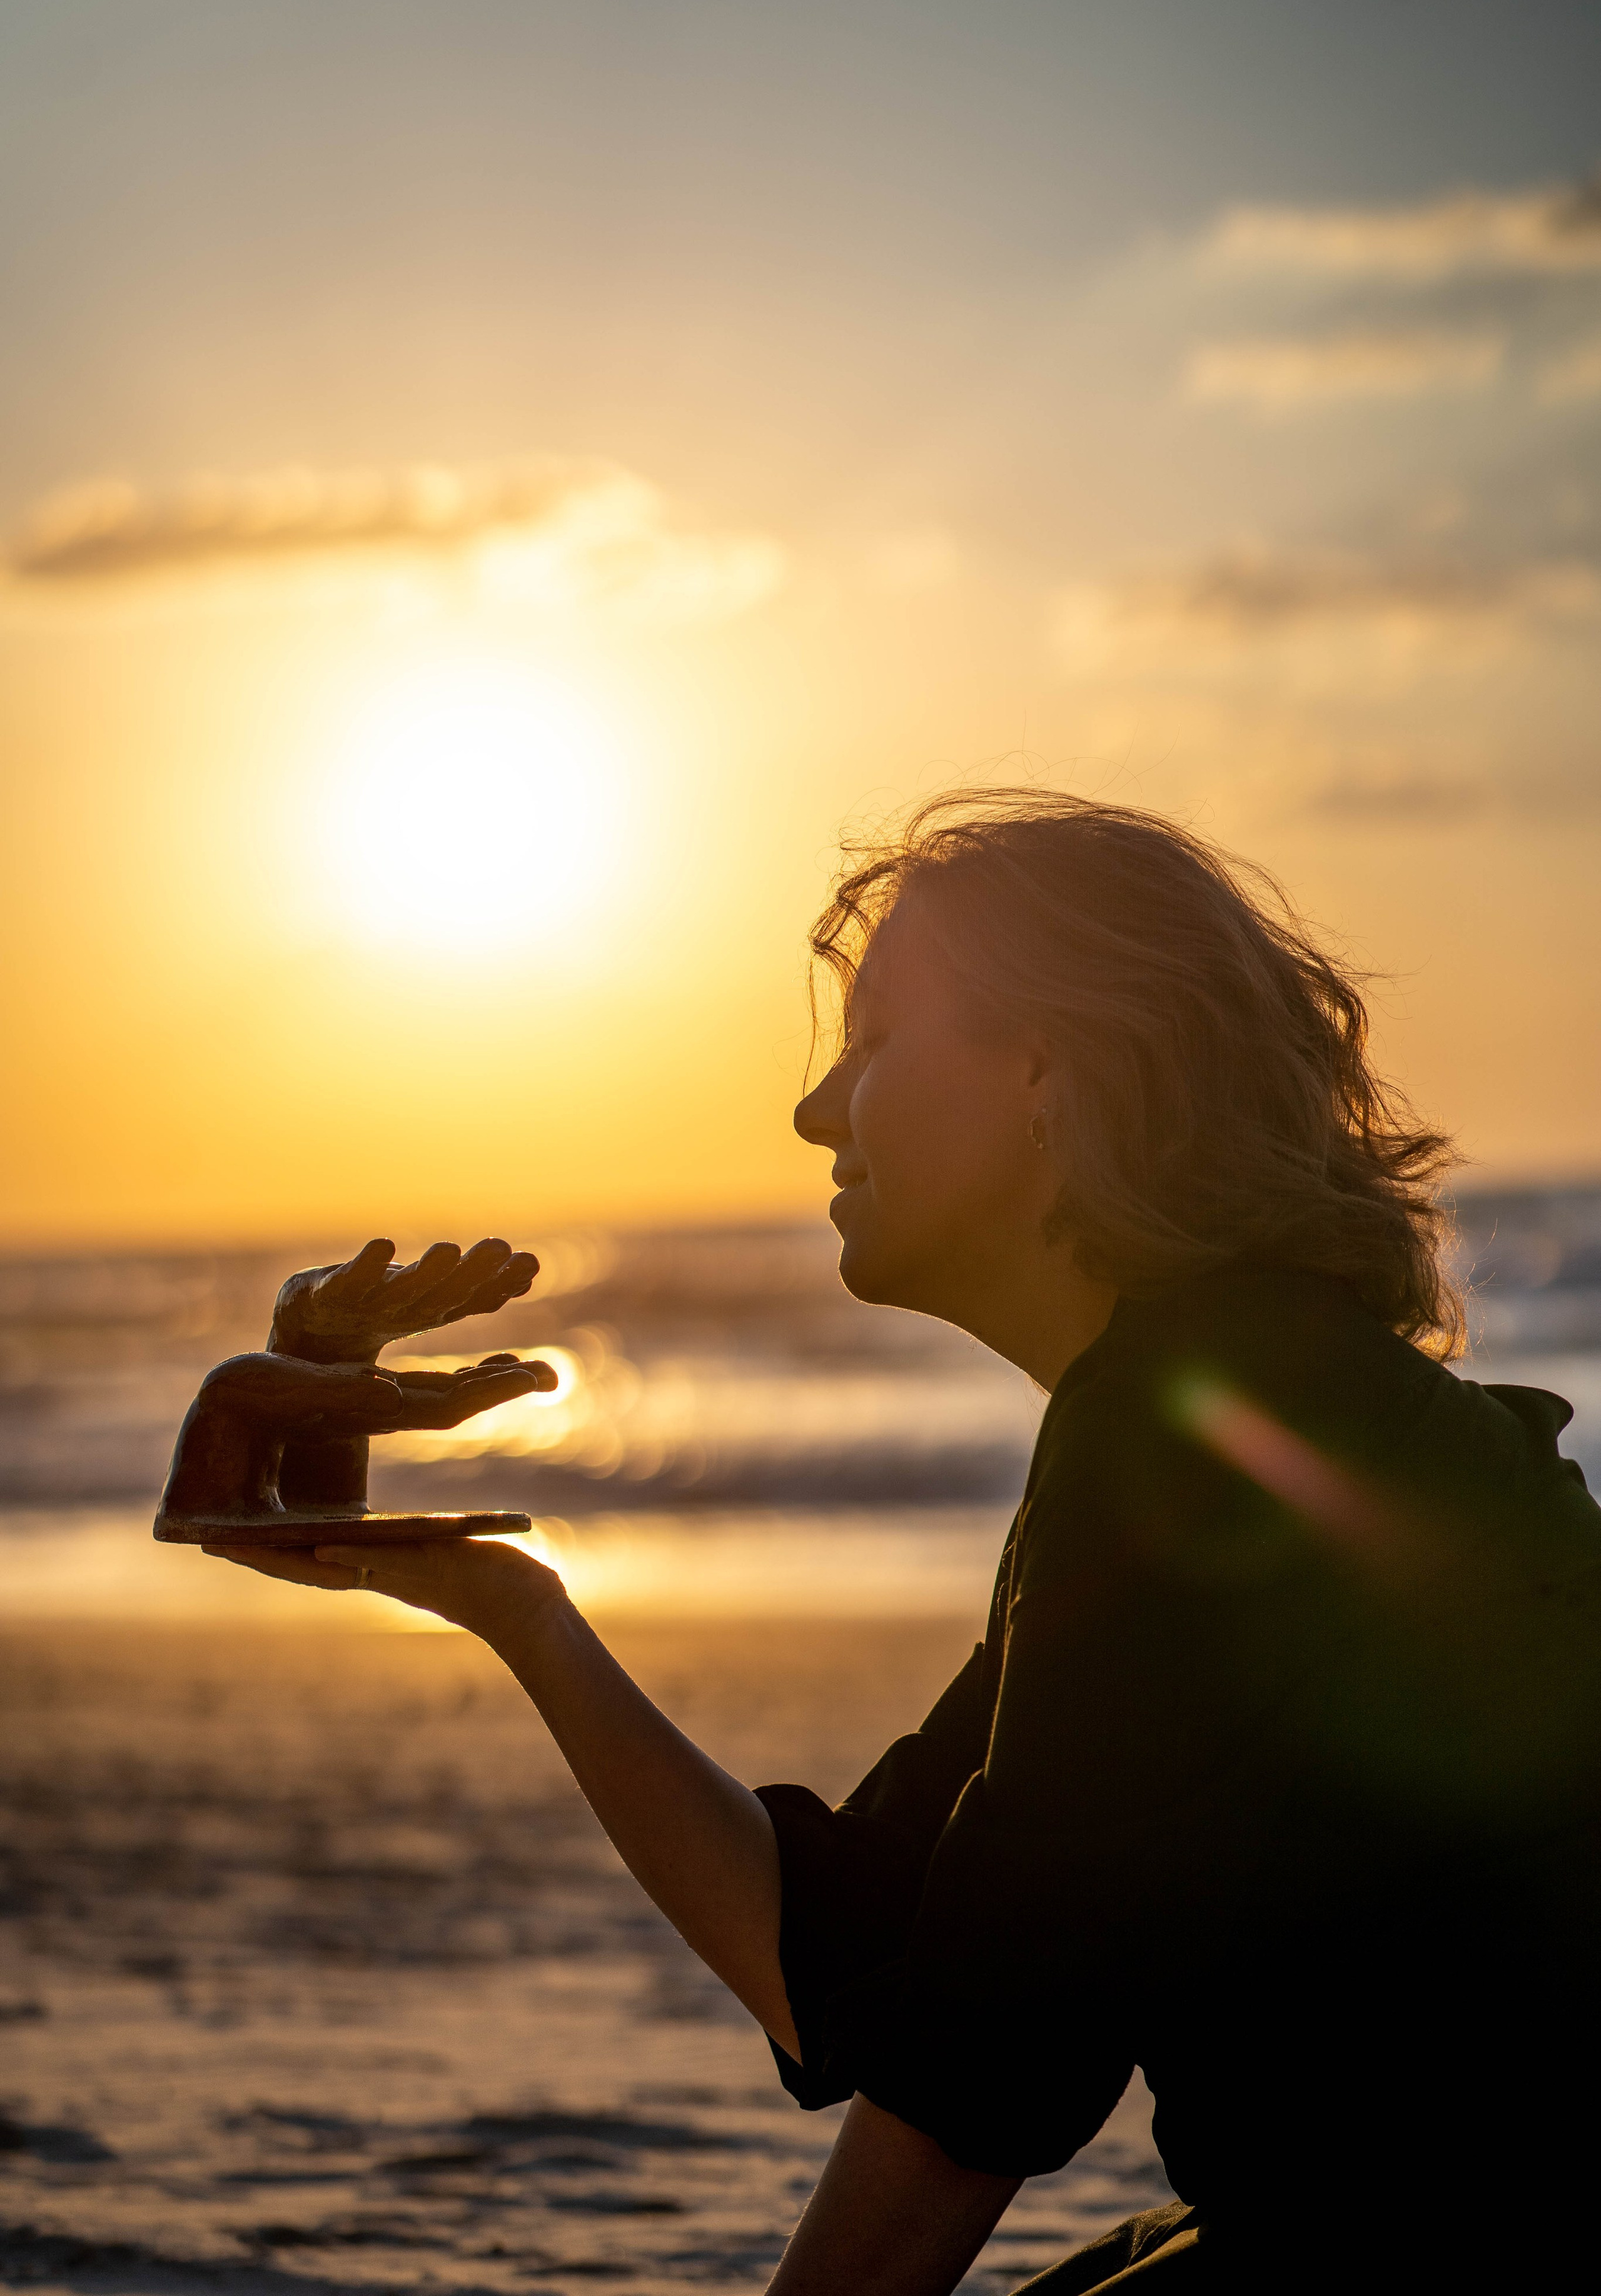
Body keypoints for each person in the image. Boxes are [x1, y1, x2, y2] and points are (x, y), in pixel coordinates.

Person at [206, 790, 1601, 2292]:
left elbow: (966, 2107)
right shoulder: (1230, 1399)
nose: (817, 1111)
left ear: (1052, 1066)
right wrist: (512, 1609)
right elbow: (865, 1967)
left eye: (873, 1044)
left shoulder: (1205, 1436)